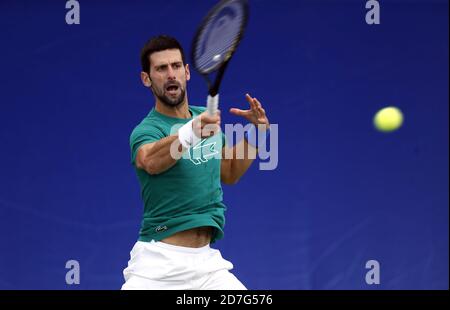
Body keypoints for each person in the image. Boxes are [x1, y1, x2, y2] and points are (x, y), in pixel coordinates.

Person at [121, 35, 270, 290]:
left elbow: (230, 172)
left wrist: (258, 133)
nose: (171, 74)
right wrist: (191, 132)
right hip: (158, 268)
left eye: (176, 66)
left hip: (208, 267)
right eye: (161, 68)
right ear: (146, 78)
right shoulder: (146, 130)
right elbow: (151, 161)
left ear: (187, 72)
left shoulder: (205, 118)